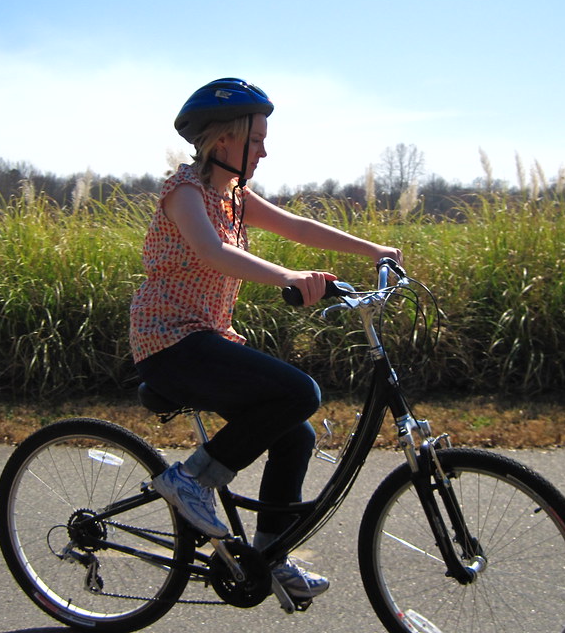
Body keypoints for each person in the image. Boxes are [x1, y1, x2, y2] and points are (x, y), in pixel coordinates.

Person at [129, 78, 402, 599]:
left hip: (208, 339)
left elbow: (297, 226)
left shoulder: (233, 196)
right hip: (169, 344)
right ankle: (191, 481)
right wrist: (288, 277)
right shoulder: (185, 192)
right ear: (224, 140)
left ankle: (272, 555)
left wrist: (374, 251)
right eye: (256, 141)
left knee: (296, 434)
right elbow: (213, 252)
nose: (263, 151)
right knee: (300, 392)